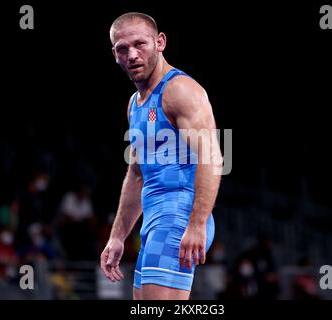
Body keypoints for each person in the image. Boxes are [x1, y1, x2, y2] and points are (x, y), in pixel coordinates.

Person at [100, 12, 223, 300]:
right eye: (122, 48)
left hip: (179, 215)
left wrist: (196, 224)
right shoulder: (134, 104)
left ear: (160, 42)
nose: (131, 55)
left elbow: (213, 157)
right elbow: (136, 174)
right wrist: (118, 236)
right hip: (154, 220)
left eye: (140, 44)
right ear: (114, 54)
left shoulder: (179, 90)